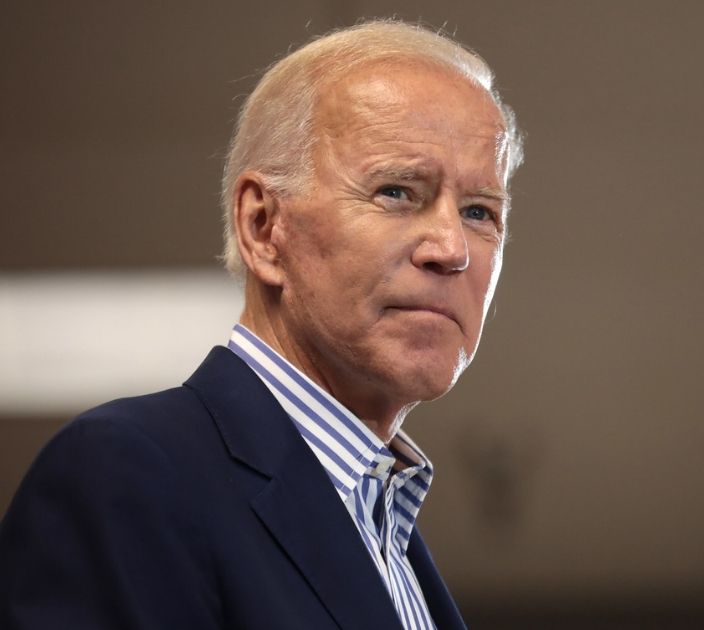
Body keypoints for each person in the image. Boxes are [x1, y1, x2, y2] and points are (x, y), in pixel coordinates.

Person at [0, 19, 522, 630]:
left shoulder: (388, 534)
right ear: (263, 228)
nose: (452, 247)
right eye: (398, 192)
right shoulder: (125, 474)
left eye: (480, 210)